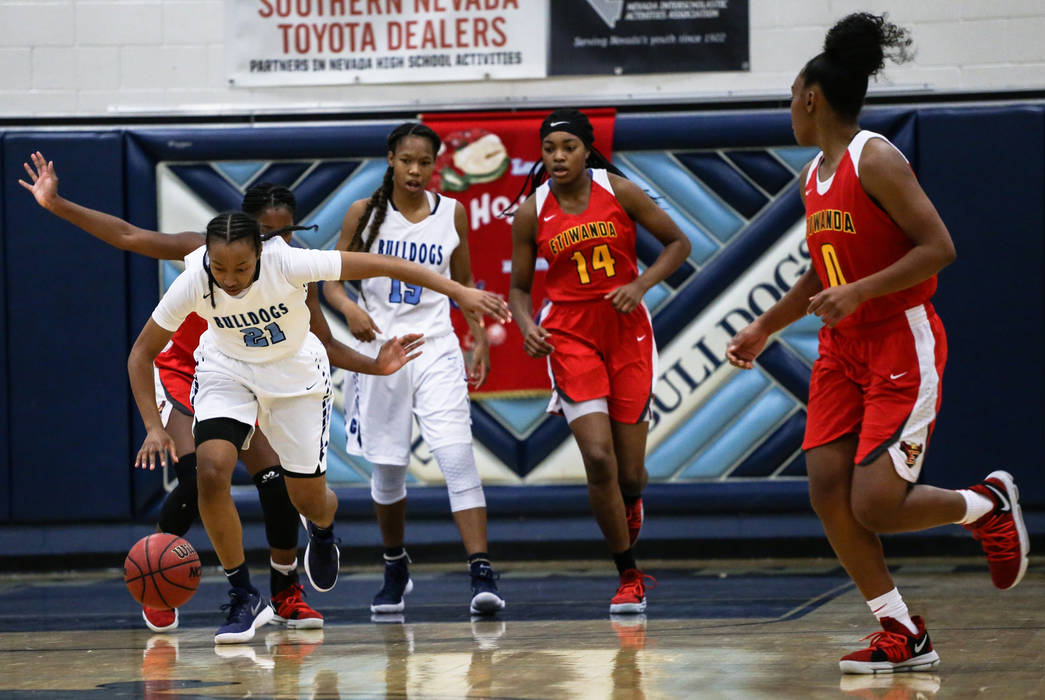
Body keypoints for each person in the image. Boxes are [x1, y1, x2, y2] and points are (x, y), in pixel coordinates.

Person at [724, 12, 1029, 674]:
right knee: (827, 490)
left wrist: (861, 292)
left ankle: (986, 505)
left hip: (899, 340)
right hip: (842, 350)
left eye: (792, 97)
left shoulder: (877, 156)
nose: (790, 108)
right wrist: (765, 325)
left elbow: (939, 248)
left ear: (810, 96)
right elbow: (822, 268)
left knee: (876, 503)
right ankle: (901, 630)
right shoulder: (815, 176)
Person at [17, 154, 432, 636]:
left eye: (285, 234)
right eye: (267, 233)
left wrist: (375, 364)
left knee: (276, 481)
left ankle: (284, 592)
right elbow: (128, 236)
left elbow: (325, 344)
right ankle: (162, 580)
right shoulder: (204, 254)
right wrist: (56, 203)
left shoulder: (291, 272)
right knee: (202, 474)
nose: (276, 244)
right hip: (190, 372)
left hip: (259, 379)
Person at [127, 209, 508, 643]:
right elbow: (141, 354)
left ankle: (323, 530)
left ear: (260, 253)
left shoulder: (289, 263)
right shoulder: (195, 277)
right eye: (220, 268)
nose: (229, 279)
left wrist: (459, 290)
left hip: (296, 380)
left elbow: (386, 264)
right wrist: (154, 426)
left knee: (308, 499)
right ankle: (241, 593)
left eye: (241, 268)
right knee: (210, 471)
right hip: (226, 372)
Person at [507, 109, 691, 614]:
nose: (558, 157)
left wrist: (639, 284)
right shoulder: (532, 210)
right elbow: (520, 288)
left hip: (627, 330)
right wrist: (527, 326)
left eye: (568, 147)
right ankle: (627, 573)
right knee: (599, 459)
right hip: (569, 334)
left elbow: (679, 243)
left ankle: (630, 501)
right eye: (550, 149)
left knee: (629, 473)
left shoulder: (619, 190)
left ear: (586, 150)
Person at [322, 122, 505, 616]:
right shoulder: (363, 213)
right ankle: (395, 564)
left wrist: (478, 338)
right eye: (407, 160)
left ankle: (481, 571)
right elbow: (332, 284)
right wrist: (351, 309)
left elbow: (463, 283)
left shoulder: (453, 213)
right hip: (380, 353)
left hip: (436, 346)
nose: (416, 170)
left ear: (435, 165)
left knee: (455, 455)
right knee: (389, 470)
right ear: (390, 158)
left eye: (425, 162)